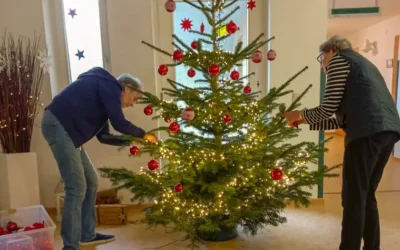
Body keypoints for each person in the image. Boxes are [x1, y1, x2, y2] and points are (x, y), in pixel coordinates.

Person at [284, 35, 400, 250]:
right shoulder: (364, 66)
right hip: (388, 132)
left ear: (330, 51)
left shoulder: (339, 60)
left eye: (322, 60)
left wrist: (298, 113)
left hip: (366, 133)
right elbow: (337, 120)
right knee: (366, 195)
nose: (323, 68)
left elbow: (327, 107)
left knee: (353, 198)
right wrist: (303, 121)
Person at [41, 67, 152, 250]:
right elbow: (119, 123)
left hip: (69, 132)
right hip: (58, 125)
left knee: (91, 181)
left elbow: (104, 137)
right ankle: (70, 246)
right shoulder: (110, 86)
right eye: (135, 99)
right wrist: (142, 134)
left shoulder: (104, 95)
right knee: (76, 187)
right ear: (126, 89)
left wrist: (130, 140)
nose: (133, 104)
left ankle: (87, 234)